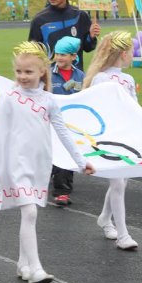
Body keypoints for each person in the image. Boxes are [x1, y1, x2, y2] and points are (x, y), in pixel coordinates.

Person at [0, 41, 94, 283]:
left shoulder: (49, 100)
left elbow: (63, 132)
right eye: (19, 71)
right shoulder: (10, 98)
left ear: (42, 71)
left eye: (28, 72)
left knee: (29, 215)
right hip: (15, 163)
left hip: (39, 163)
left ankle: (23, 263)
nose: (22, 76)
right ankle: (36, 268)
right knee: (30, 211)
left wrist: (80, 161)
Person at [83, 31, 140, 250]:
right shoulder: (101, 78)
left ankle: (105, 218)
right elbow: (97, 106)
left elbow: (134, 107)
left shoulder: (128, 79)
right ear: (124, 53)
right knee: (117, 182)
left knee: (123, 181)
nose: (133, 56)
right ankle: (123, 235)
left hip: (125, 134)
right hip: (108, 137)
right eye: (131, 52)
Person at [28, 0, 100, 71]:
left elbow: (87, 47)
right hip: (51, 79)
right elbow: (33, 53)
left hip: (76, 78)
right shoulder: (39, 20)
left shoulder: (80, 15)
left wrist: (91, 37)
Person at [50, 36, 85, 207]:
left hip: (71, 124)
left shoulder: (81, 76)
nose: (59, 58)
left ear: (73, 56)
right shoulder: (48, 74)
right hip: (50, 122)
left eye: (63, 54)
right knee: (49, 155)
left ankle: (62, 191)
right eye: (57, 54)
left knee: (67, 154)